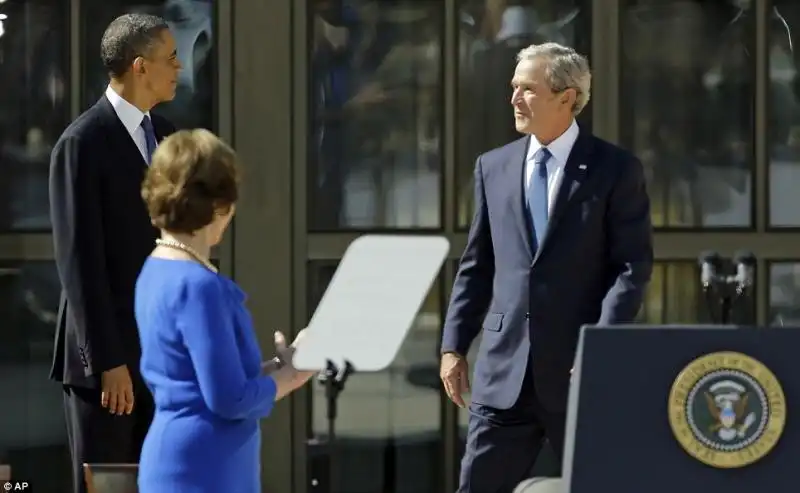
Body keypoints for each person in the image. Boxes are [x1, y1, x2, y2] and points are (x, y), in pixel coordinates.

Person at [440, 42, 653, 492]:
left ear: (567, 97)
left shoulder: (614, 169)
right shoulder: (492, 167)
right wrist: (453, 345)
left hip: (578, 371)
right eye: (514, 87)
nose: (514, 99)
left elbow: (630, 268)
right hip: (503, 372)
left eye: (528, 89)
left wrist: (600, 345)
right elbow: (477, 266)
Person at [135, 129, 315, 493]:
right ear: (220, 206)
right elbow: (228, 399)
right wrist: (293, 376)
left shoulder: (155, 267)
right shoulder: (199, 286)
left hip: (180, 458)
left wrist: (278, 367)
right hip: (205, 469)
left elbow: (202, 380)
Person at [48, 13, 181, 493]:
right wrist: (109, 361)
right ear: (140, 66)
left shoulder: (165, 135)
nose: (179, 67)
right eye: (170, 58)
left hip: (158, 361)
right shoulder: (82, 143)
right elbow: (78, 262)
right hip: (107, 368)